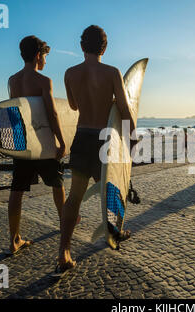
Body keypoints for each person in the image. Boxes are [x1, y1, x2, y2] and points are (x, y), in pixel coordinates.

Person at [57, 25, 135, 273]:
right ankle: (115, 232)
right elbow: (124, 109)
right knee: (113, 189)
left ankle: (64, 252)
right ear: (105, 47)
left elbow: (73, 105)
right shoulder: (113, 72)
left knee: (74, 198)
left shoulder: (70, 73)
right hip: (105, 140)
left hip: (81, 138)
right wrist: (132, 138)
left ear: (81, 46)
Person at [6, 35, 67, 255]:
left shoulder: (13, 80)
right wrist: (61, 140)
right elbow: (51, 113)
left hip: (22, 144)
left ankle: (14, 240)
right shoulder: (44, 81)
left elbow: (15, 113)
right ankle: (64, 224)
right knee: (57, 184)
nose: (45, 62)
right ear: (38, 56)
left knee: (17, 190)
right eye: (45, 57)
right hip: (42, 143)